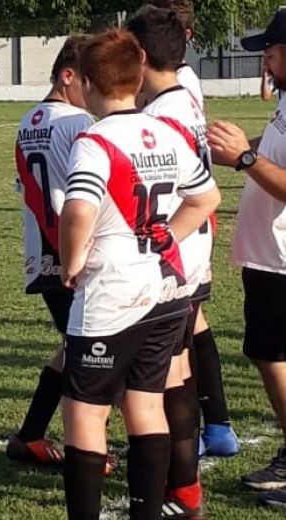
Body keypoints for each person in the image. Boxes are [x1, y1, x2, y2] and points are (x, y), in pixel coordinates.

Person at [32, 28, 220, 520]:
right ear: (137, 80)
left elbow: (77, 210)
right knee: (145, 401)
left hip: (112, 291)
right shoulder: (165, 133)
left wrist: (70, 264)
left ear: (88, 83)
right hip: (165, 285)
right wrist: (166, 239)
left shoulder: (96, 140)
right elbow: (205, 196)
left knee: (84, 412)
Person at [129, 5, 215, 520]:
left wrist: (156, 245)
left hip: (172, 262)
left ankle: (178, 488)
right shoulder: (184, 101)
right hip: (194, 255)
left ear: (139, 56)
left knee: (162, 378)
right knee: (177, 370)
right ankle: (183, 487)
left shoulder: (159, 117)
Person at [148, 0, 239, 456]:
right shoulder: (185, 88)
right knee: (189, 329)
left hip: (179, 229)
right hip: (195, 223)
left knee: (171, 353)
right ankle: (215, 426)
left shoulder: (166, 102)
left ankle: (183, 452)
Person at [207, 8, 286, 509]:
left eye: (272, 49)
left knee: (273, 355)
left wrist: (246, 159)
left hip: (283, 258)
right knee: (268, 355)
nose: (265, 58)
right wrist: (235, 149)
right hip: (269, 256)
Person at [8, 35, 97, 469]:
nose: (95, 92)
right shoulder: (79, 123)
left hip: (40, 252)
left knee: (76, 345)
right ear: (68, 76)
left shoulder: (28, 121)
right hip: (70, 251)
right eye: (90, 80)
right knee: (93, 350)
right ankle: (85, 448)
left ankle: (30, 435)